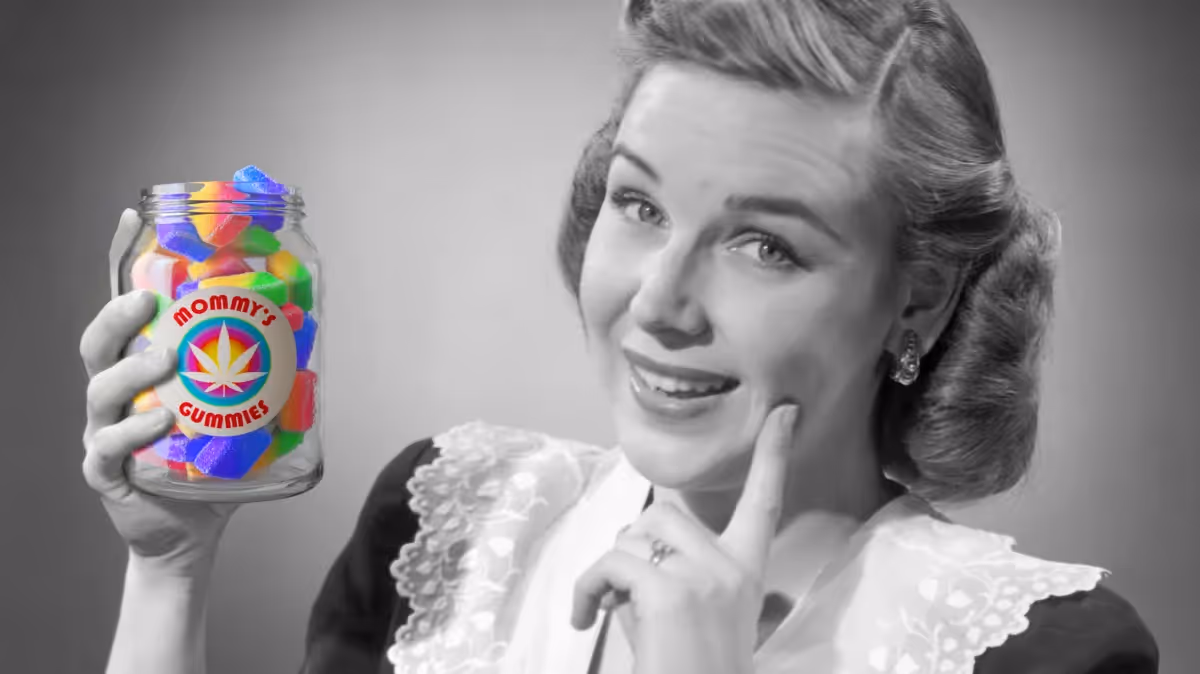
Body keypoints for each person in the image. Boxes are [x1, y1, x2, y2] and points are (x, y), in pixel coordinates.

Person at [80, 0, 1160, 672]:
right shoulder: (445, 526)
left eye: (767, 246)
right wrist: (170, 570)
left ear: (918, 300)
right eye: (639, 205)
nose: (660, 302)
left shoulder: (1048, 653)